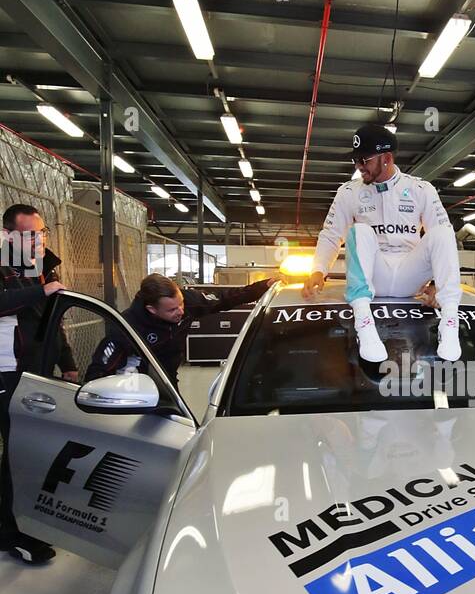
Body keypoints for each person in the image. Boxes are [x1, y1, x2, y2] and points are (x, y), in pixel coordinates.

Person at [303, 122, 462, 362]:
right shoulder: (348, 192)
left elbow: (441, 243)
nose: (358, 167)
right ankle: (364, 325)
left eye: (364, 160)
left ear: (386, 158)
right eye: (355, 160)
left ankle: (450, 322)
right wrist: (318, 270)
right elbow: (331, 234)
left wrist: (437, 285)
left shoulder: (421, 189)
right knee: (359, 231)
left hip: (410, 277)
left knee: (443, 232)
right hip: (372, 278)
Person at [0, 204, 76, 564]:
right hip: (7, 375)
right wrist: (39, 293)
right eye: (30, 234)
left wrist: (69, 363)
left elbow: (53, 324)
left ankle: (24, 522)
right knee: (16, 454)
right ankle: (10, 534)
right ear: (7, 236)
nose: (38, 241)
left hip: (38, 374)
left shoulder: (40, 270)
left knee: (30, 453)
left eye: (42, 233)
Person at [86, 271, 281, 388]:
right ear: (151, 309)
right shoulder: (127, 326)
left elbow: (225, 298)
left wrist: (263, 286)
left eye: (180, 304)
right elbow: (99, 369)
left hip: (168, 380)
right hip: (135, 385)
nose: (180, 311)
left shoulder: (187, 302)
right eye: (172, 309)